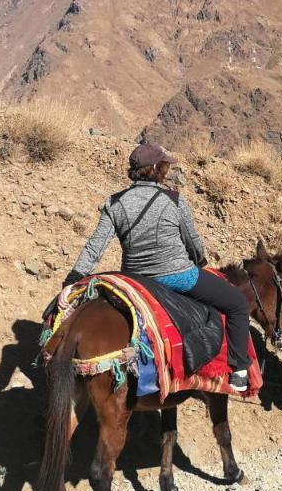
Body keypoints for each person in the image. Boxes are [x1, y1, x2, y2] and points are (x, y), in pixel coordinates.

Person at [64, 142, 251, 392]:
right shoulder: (173, 200)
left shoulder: (115, 203)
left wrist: (73, 279)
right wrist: (200, 261)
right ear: (154, 169)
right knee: (237, 303)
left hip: (136, 280)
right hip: (179, 276)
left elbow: (94, 247)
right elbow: (192, 241)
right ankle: (239, 369)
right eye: (164, 165)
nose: (166, 170)